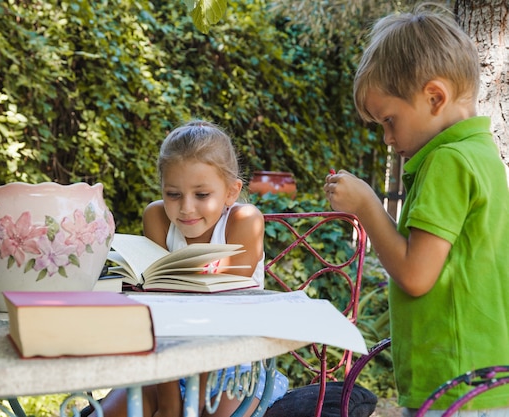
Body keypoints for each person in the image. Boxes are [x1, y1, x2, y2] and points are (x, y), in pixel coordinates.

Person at [324, 3, 509, 416]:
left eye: (389, 120)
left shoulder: (449, 162)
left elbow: (415, 275)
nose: (388, 138)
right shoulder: (480, 154)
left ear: (434, 97)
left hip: (456, 385)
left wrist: (367, 205)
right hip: (479, 379)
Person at [92, 119, 288, 417]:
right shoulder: (157, 217)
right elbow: (157, 307)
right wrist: (169, 402)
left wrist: (189, 405)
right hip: (163, 362)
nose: (185, 208)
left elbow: (222, 307)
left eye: (201, 195)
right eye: (173, 194)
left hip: (230, 366)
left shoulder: (244, 220)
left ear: (231, 192)